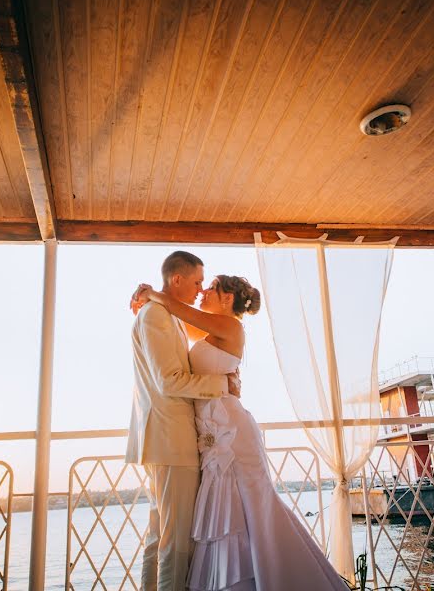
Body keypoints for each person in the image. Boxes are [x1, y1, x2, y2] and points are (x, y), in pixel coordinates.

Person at [133, 274, 349, 591]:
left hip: (231, 431)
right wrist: (145, 301)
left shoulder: (231, 326)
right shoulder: (208, 328)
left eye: (210, 288)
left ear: (227, 299)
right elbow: (174, 318)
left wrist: (152, 292)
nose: (203, 292)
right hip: (211, 432)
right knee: (224, 512)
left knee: (254, 507)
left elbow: (176, 307)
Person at [126, 251, 241, 591]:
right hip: (170, 440)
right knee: (176, 544)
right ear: (177, 280)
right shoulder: (156, 317)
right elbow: (169, 380)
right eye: (196, 282)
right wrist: (222, 385)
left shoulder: (167, 315)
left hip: (163, 439)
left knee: (159, 536)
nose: (199, 288)